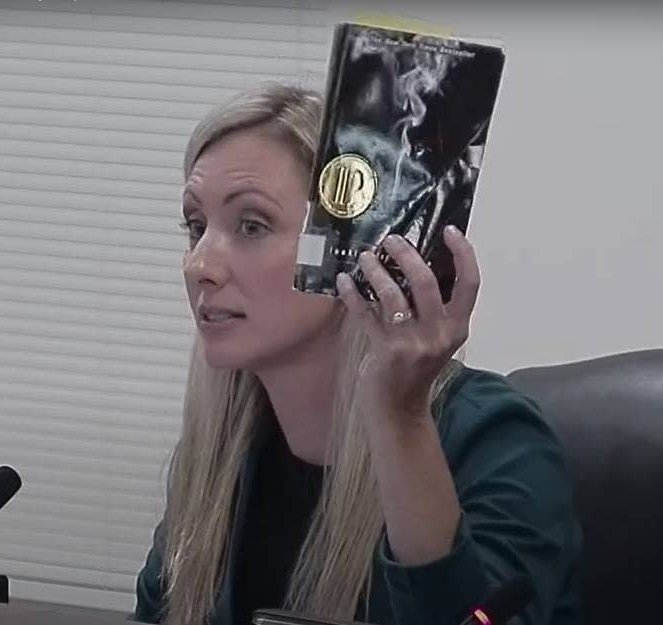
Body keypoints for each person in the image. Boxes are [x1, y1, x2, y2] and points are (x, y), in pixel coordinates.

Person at [131, 83, 582, 625]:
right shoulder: (217, 448)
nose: (199, 264)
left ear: (355, 250)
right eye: (196, 226)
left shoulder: (494, 439)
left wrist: (400, 417)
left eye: (251, 226)